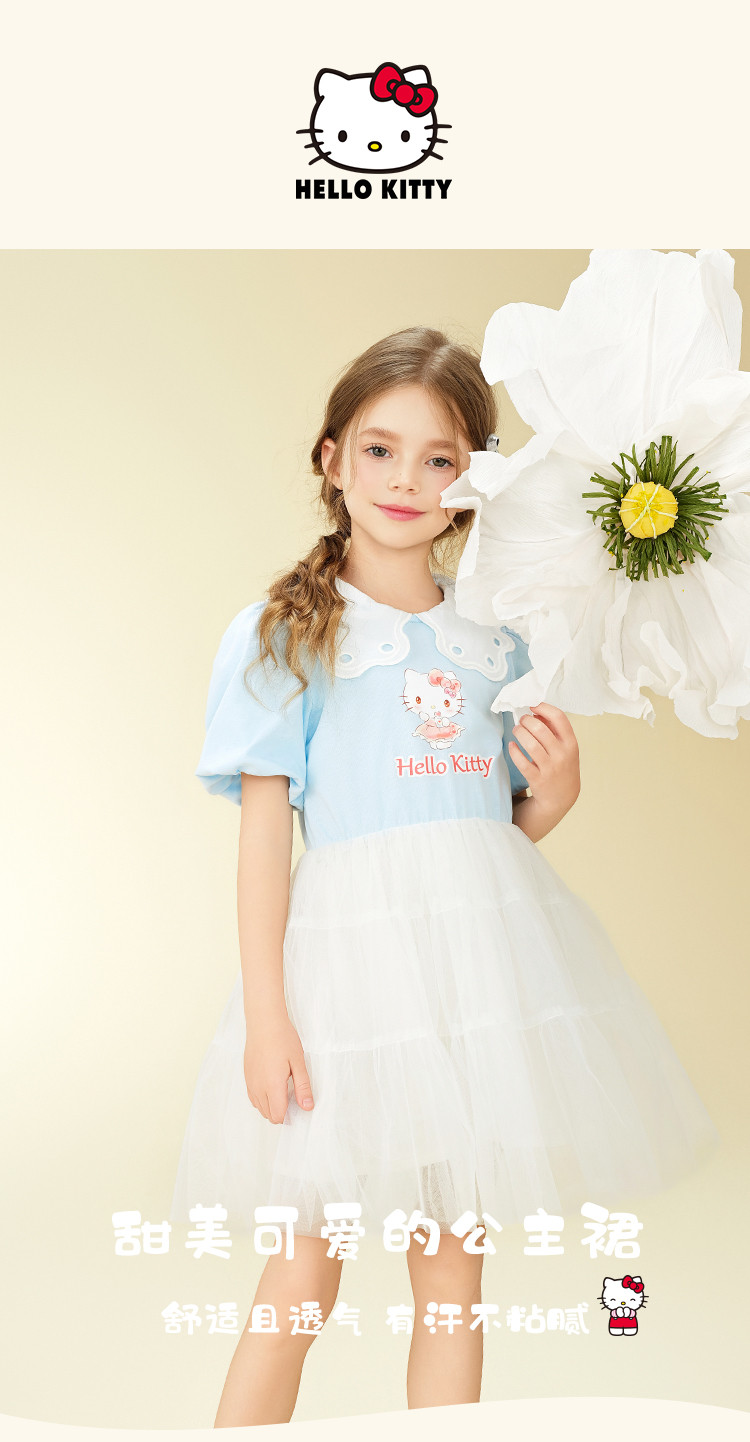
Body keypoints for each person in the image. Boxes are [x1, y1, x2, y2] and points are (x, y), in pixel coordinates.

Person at [170, 326, 719, 1425]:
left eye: (440, 459)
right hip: (344, 993)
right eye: (380, 450)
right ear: (332, 458)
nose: (406, 481)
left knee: (453, 1271)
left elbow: (483, 841)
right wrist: (269, 1017)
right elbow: (266, 842)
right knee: (304, 1269)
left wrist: (553, 798)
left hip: (470, 995)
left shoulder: (499, 633)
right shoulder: (287, 632)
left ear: (475, 480)